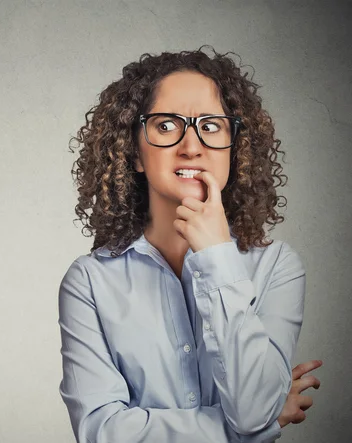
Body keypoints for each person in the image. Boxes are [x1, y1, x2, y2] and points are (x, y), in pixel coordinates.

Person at [58, 48, 322, 443]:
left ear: (236, 147)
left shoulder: (278, 268)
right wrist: (246, 430)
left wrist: (217, 257)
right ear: (134, 153)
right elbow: (103, 432)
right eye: (166, 126)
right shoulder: (89, 282)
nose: (192, 146)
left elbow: (253, 412)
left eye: (212, 126)